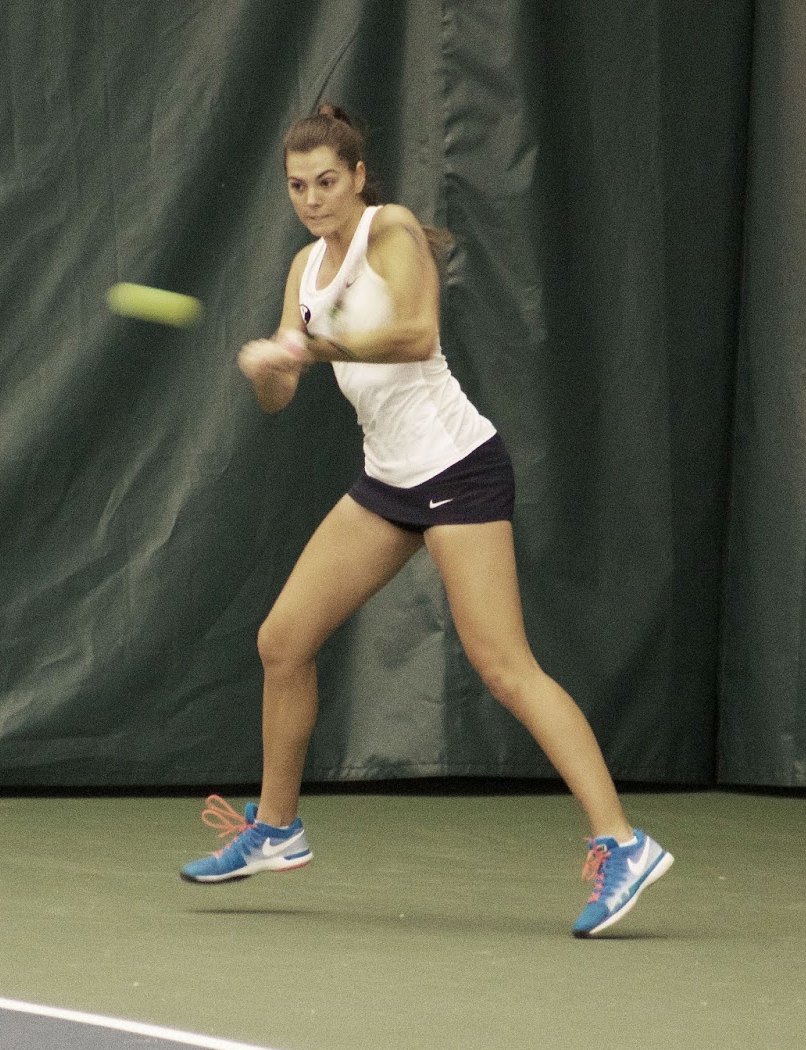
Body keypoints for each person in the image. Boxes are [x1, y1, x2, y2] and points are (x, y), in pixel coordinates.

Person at [180, 106, 672, 937]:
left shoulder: (392, 230)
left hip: (457, 469)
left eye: (326, 181)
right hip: (389, 480)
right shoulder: (303, 268)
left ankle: (623, 842)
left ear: (357, 177)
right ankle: (278, 828)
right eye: (297, 186)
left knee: (505, 665)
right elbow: (281, 393)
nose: (312, 199)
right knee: (282, 640)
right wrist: (267, 366)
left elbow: (415, 333)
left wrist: (312, 347)